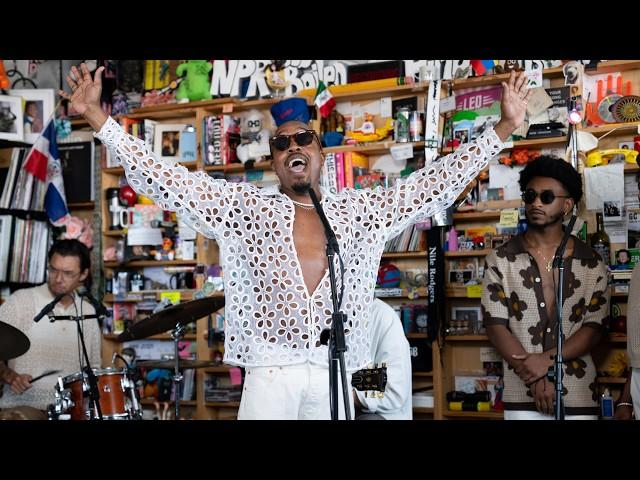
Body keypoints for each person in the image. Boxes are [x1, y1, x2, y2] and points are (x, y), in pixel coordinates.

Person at [62, 63, 529, 420]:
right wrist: (100, 119)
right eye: (281, 145)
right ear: (274, 161)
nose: (293, 147)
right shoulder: (248, 209)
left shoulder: (357, 212)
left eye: (303, 138)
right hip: (272, 373)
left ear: (320, 151)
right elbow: (166, 178)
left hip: (338, 373)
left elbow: (431, 185)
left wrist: (503, 130)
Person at [482, 156, 609, 420]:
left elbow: (594, 328)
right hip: (521, 394)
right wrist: (533, 375)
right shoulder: (501, 259)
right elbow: (495, 326)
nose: (536, 202)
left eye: (547, 196)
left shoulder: (592, 262)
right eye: (530, 195)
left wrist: (544, 362)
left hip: (578, 392)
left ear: (567, 205)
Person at [0, 239, 101, 420]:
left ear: (84, 274)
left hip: (72, 410)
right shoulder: (20, 300)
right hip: (25, 406)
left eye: (68, 273)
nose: (58, 279)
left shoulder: (88, 311)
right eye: (53, 270)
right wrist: (9, 376)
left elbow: (94, 367)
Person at [354, 299, 412, 420]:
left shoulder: (383, 315)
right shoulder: (314, 318)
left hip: (377, 415)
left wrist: (342, 389)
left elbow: (390, 388)